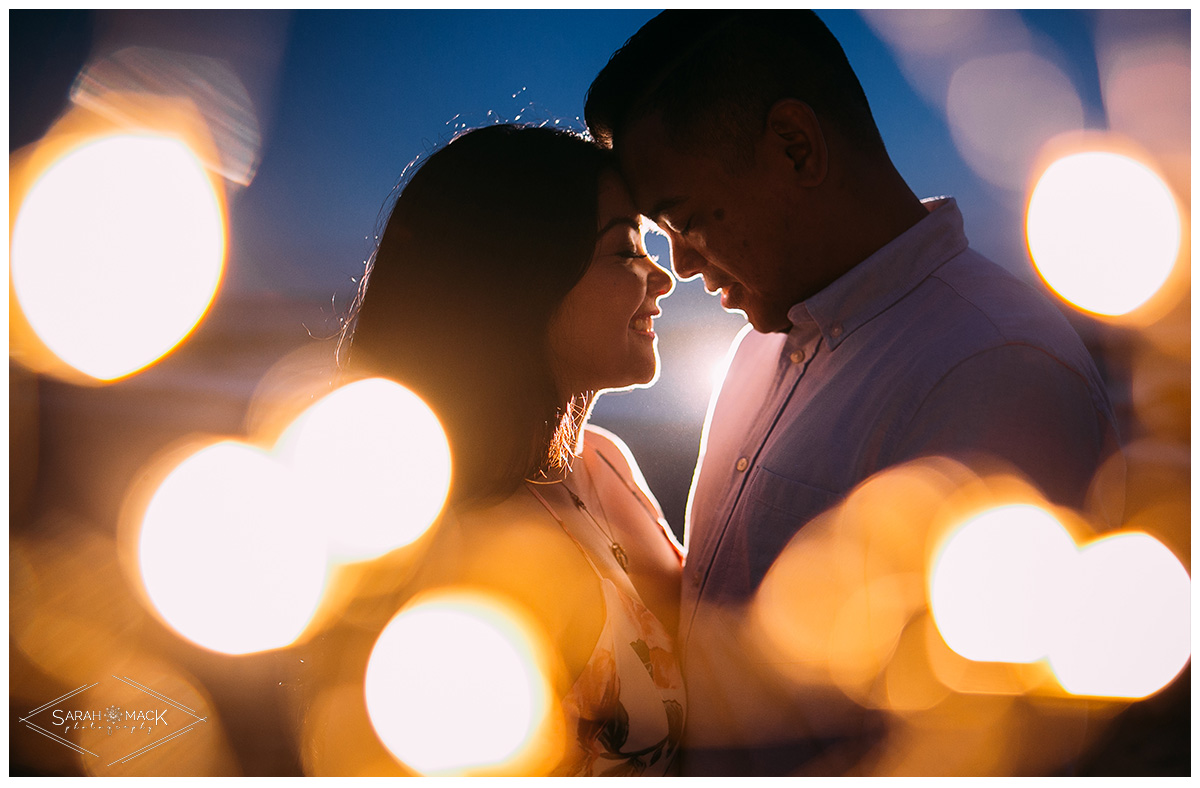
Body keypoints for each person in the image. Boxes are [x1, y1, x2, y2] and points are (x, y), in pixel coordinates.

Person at [585, 10, 1122, 776]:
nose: (687, 267)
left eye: (689, 220)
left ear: (797, 148)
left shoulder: (996, 369)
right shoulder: (757, 348)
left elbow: (985, 741)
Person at [344, 124, 684, 776]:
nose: (662, 278)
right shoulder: (448, 541)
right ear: (521, 274)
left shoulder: (603, 460)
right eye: (624, 252)